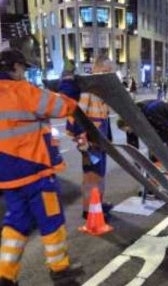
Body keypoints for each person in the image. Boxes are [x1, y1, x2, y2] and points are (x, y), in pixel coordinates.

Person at [0, 48, 83, 286]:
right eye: (22, 68)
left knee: (16, 222)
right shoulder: (24, 92)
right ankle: (59, 269)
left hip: (3, 177)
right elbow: (64, 106)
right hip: (35, 173)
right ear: (13, 68)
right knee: (51, 220)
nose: (24, 73)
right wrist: (68, 82)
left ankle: (5, 275)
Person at [63, 55, 114, 220]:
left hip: (98, 139)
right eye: (104, 71)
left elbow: (103, 116)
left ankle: (98, 204)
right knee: (93, 176)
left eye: (109, 72)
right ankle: (91, 210)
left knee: (98, 175)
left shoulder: (100, 88)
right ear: (95, 69)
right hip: (90, 140)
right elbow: (78, 115)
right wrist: (82, 142)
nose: (107, 75)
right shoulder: (88, 89)